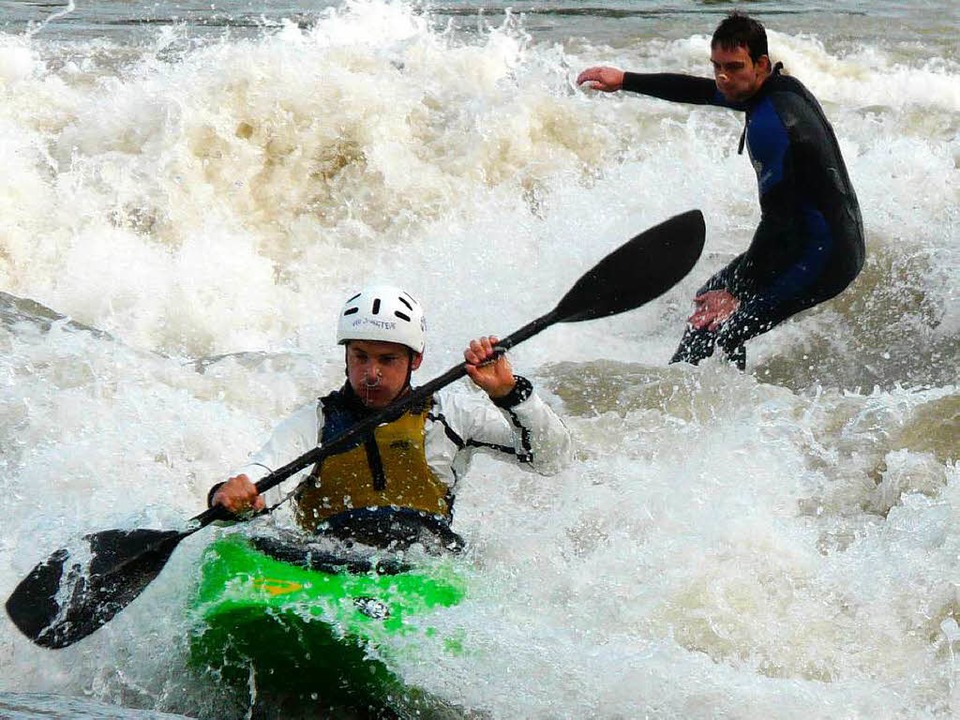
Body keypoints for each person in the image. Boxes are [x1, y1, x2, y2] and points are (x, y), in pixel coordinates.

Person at [577, 12, 865, 370]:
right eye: (717, 66)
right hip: (810, 238)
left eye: (733, 67)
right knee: (707, 300)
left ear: (760, 64)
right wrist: (624, 80)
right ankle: (680, 384)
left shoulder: (771, 126)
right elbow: (698, 90)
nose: (722, 78)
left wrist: (738, 290)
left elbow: (780, 222)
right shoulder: (777, 89)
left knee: (727, 326)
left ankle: (730, 412)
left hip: (825, 255)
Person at [208, 284, 573, 551]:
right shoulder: (314, 424)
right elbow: (264, 477)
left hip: (422, 566)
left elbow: (551, 460)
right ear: (346, 354)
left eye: (388, 359)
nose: (371, 373)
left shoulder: (453, 418)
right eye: (361, 356)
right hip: (326, 564)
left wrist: (509, 395)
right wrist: (237, 496)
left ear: (416, 360)